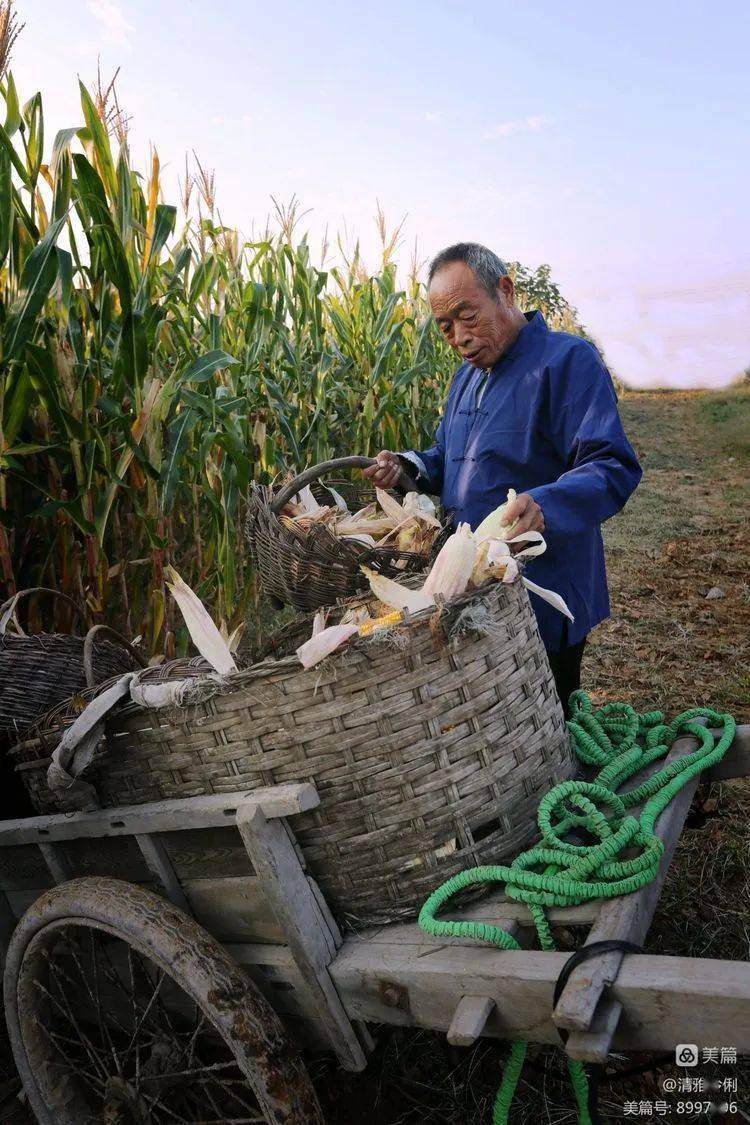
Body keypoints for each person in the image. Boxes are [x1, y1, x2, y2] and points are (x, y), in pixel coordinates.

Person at [364, 242, 642, 715]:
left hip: (545, 590)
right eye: (445, 326)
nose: (459, 336)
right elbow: (451, 457)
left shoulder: (567, 362)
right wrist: (408, 466)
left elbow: (611, 464)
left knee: (549, 722)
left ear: (505, 291)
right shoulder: (465, 380)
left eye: (467, 316)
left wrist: (545, 505)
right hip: (473, 589)